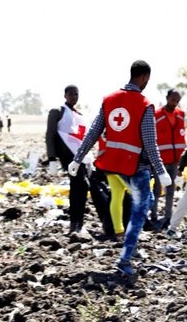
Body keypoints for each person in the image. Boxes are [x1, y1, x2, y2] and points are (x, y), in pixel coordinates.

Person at [69, 60, 170, 276]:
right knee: (140, 211)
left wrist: (77, 158)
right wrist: (161, 171)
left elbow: (94, 132)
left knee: (142, 200)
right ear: (144, 77)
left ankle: (127, 243)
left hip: (113, 164)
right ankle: (125, 259)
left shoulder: (109, 100)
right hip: (136, 166)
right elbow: (150, 142)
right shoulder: (145, 105)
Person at [46, 85, 97, 234]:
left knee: (80, 188)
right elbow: (50, 135)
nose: (74, 97)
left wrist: (88, 159)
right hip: (67, 156)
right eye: (71, 94)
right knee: (79, 185)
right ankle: (75, 223)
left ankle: (77, 223)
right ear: (65, 95)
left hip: (80, 156)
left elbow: (83, 137)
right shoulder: (57, 112)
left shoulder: (79, 114)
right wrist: (51, 158)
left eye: (76, 94)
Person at [151, 88, 186, 229]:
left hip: (175, 159)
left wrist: (183, 159)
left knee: (171, 189)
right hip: (160, 159)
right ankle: (153, 215)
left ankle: (168, 216)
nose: (175, 103)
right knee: (157, 188)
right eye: (173, 100)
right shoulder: (156, 115)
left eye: (177, 101)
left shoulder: (180, 115)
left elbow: (182, 136)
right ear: (167, 97)